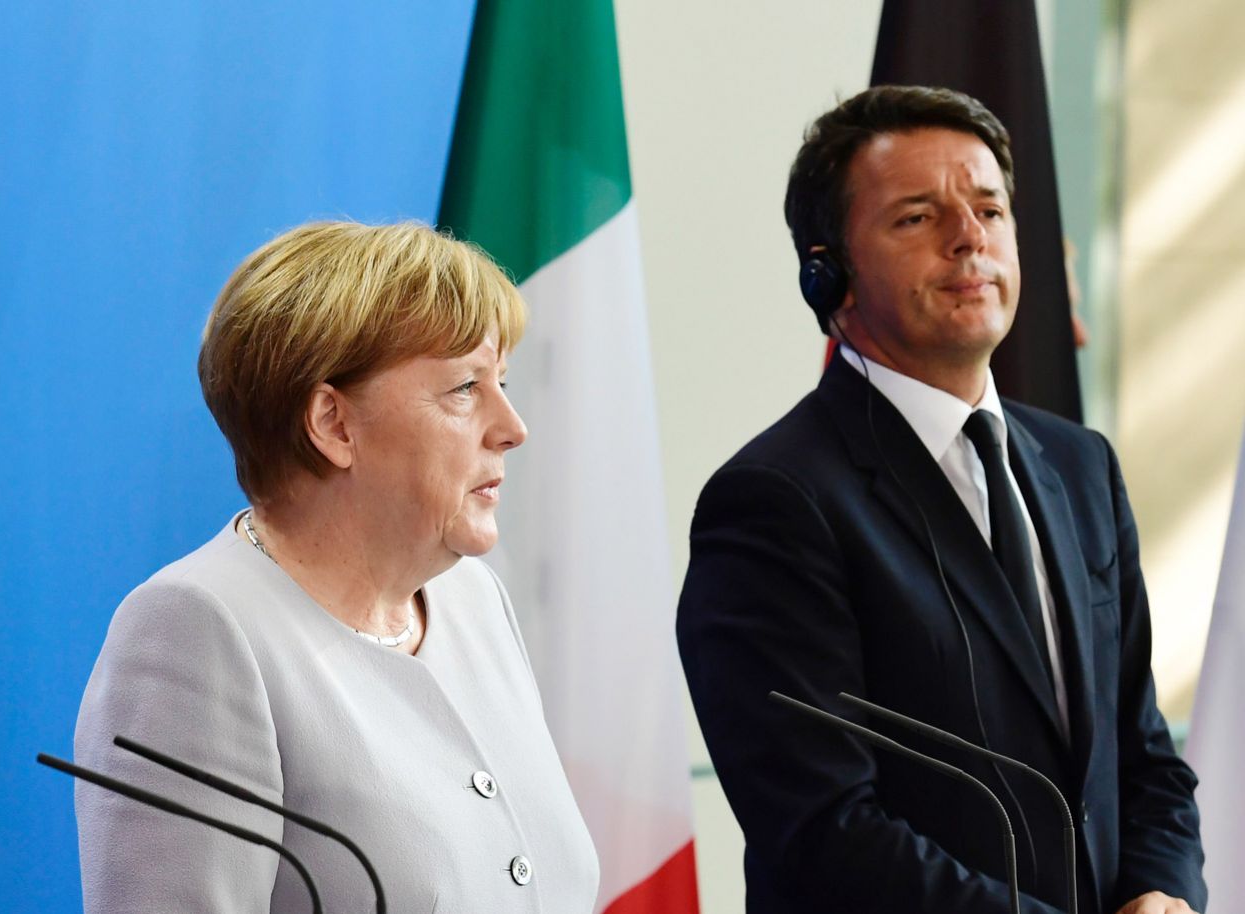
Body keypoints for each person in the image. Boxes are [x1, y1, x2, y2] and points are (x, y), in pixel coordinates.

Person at [676, 85, 1203, 914]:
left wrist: (1164, 891)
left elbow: (1142, 756)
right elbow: (824, 829)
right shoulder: (772, 502)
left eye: (990, 209)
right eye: (918, 217)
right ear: (830, 276)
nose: (970, 239)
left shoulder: (1081, 465)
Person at [73, 221, 598, 912]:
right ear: (333, 424)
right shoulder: (196, 631)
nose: (512, 425)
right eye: (466, 387)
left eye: (501, 381)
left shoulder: (473, 600)